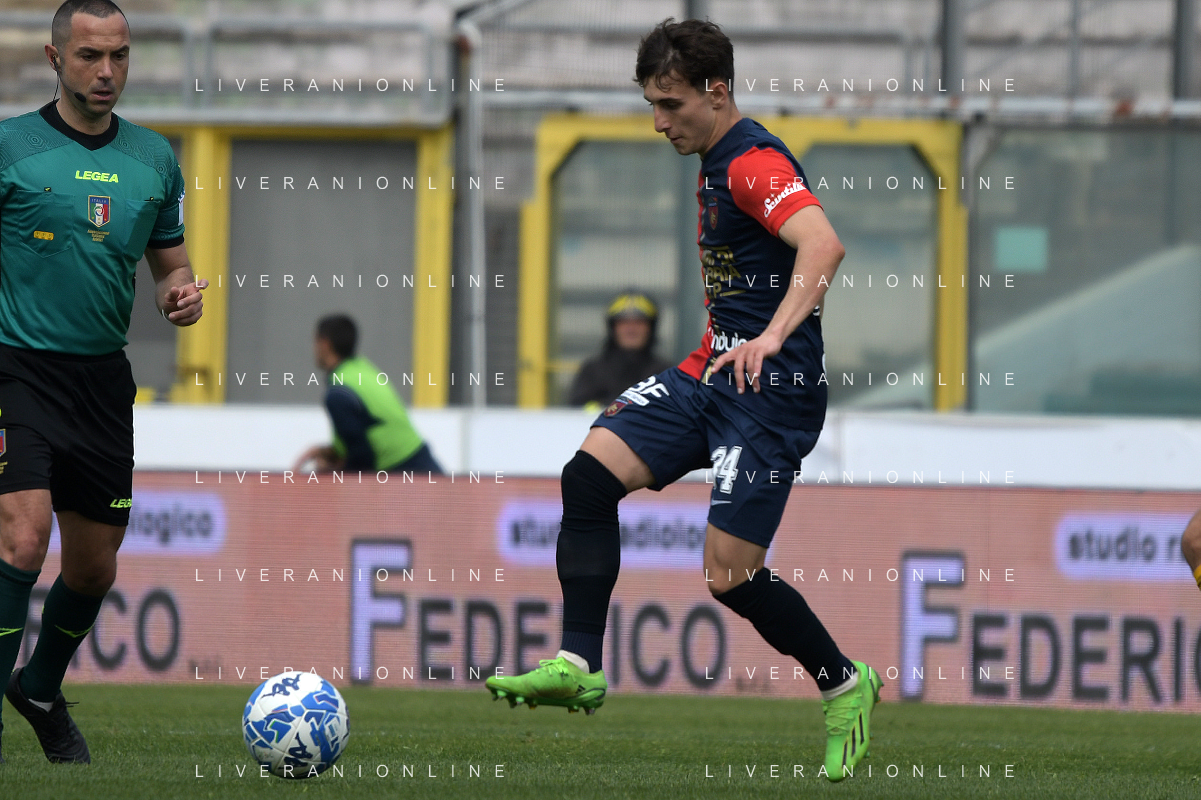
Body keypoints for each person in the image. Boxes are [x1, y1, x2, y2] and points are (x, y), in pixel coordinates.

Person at [486, 18, 881, 781]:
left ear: (716, 92)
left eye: (670, 104)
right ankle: (578, 663)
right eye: (651, 105)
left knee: (729, 578)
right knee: (588, 476)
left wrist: (771, 336)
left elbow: (822, 243)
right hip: (711, 374)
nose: (658, 122)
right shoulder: (714, 158)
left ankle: (843, 683)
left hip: (770, 396)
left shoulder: (752, 164)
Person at [0, 0, 207, 765]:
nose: (107, 71)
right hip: (16, 366)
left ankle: (39, 690)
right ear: (56, 59)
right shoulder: (9, 147)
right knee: (23, 538)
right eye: (90, 55)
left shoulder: (154, 158)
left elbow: (171, 265)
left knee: (92, 567)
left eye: (119, 55)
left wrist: (179, 296)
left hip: (101, 382)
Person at [294, 314, 443, 476]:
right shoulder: (362, 370)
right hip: (421, 463)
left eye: (315, 342)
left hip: (404, 474)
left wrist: (328, 474)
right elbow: (370, 432)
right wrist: (331, 452)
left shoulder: (338, 393)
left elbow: (362, 460)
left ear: (325, 343)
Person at [568, 292, 672, 409]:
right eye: (624, 322)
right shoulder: (592, 371)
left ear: (651, 328)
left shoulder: (664, 374)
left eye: (639, 322)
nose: (631, 329)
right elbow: (575, 411)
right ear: (612, 328)